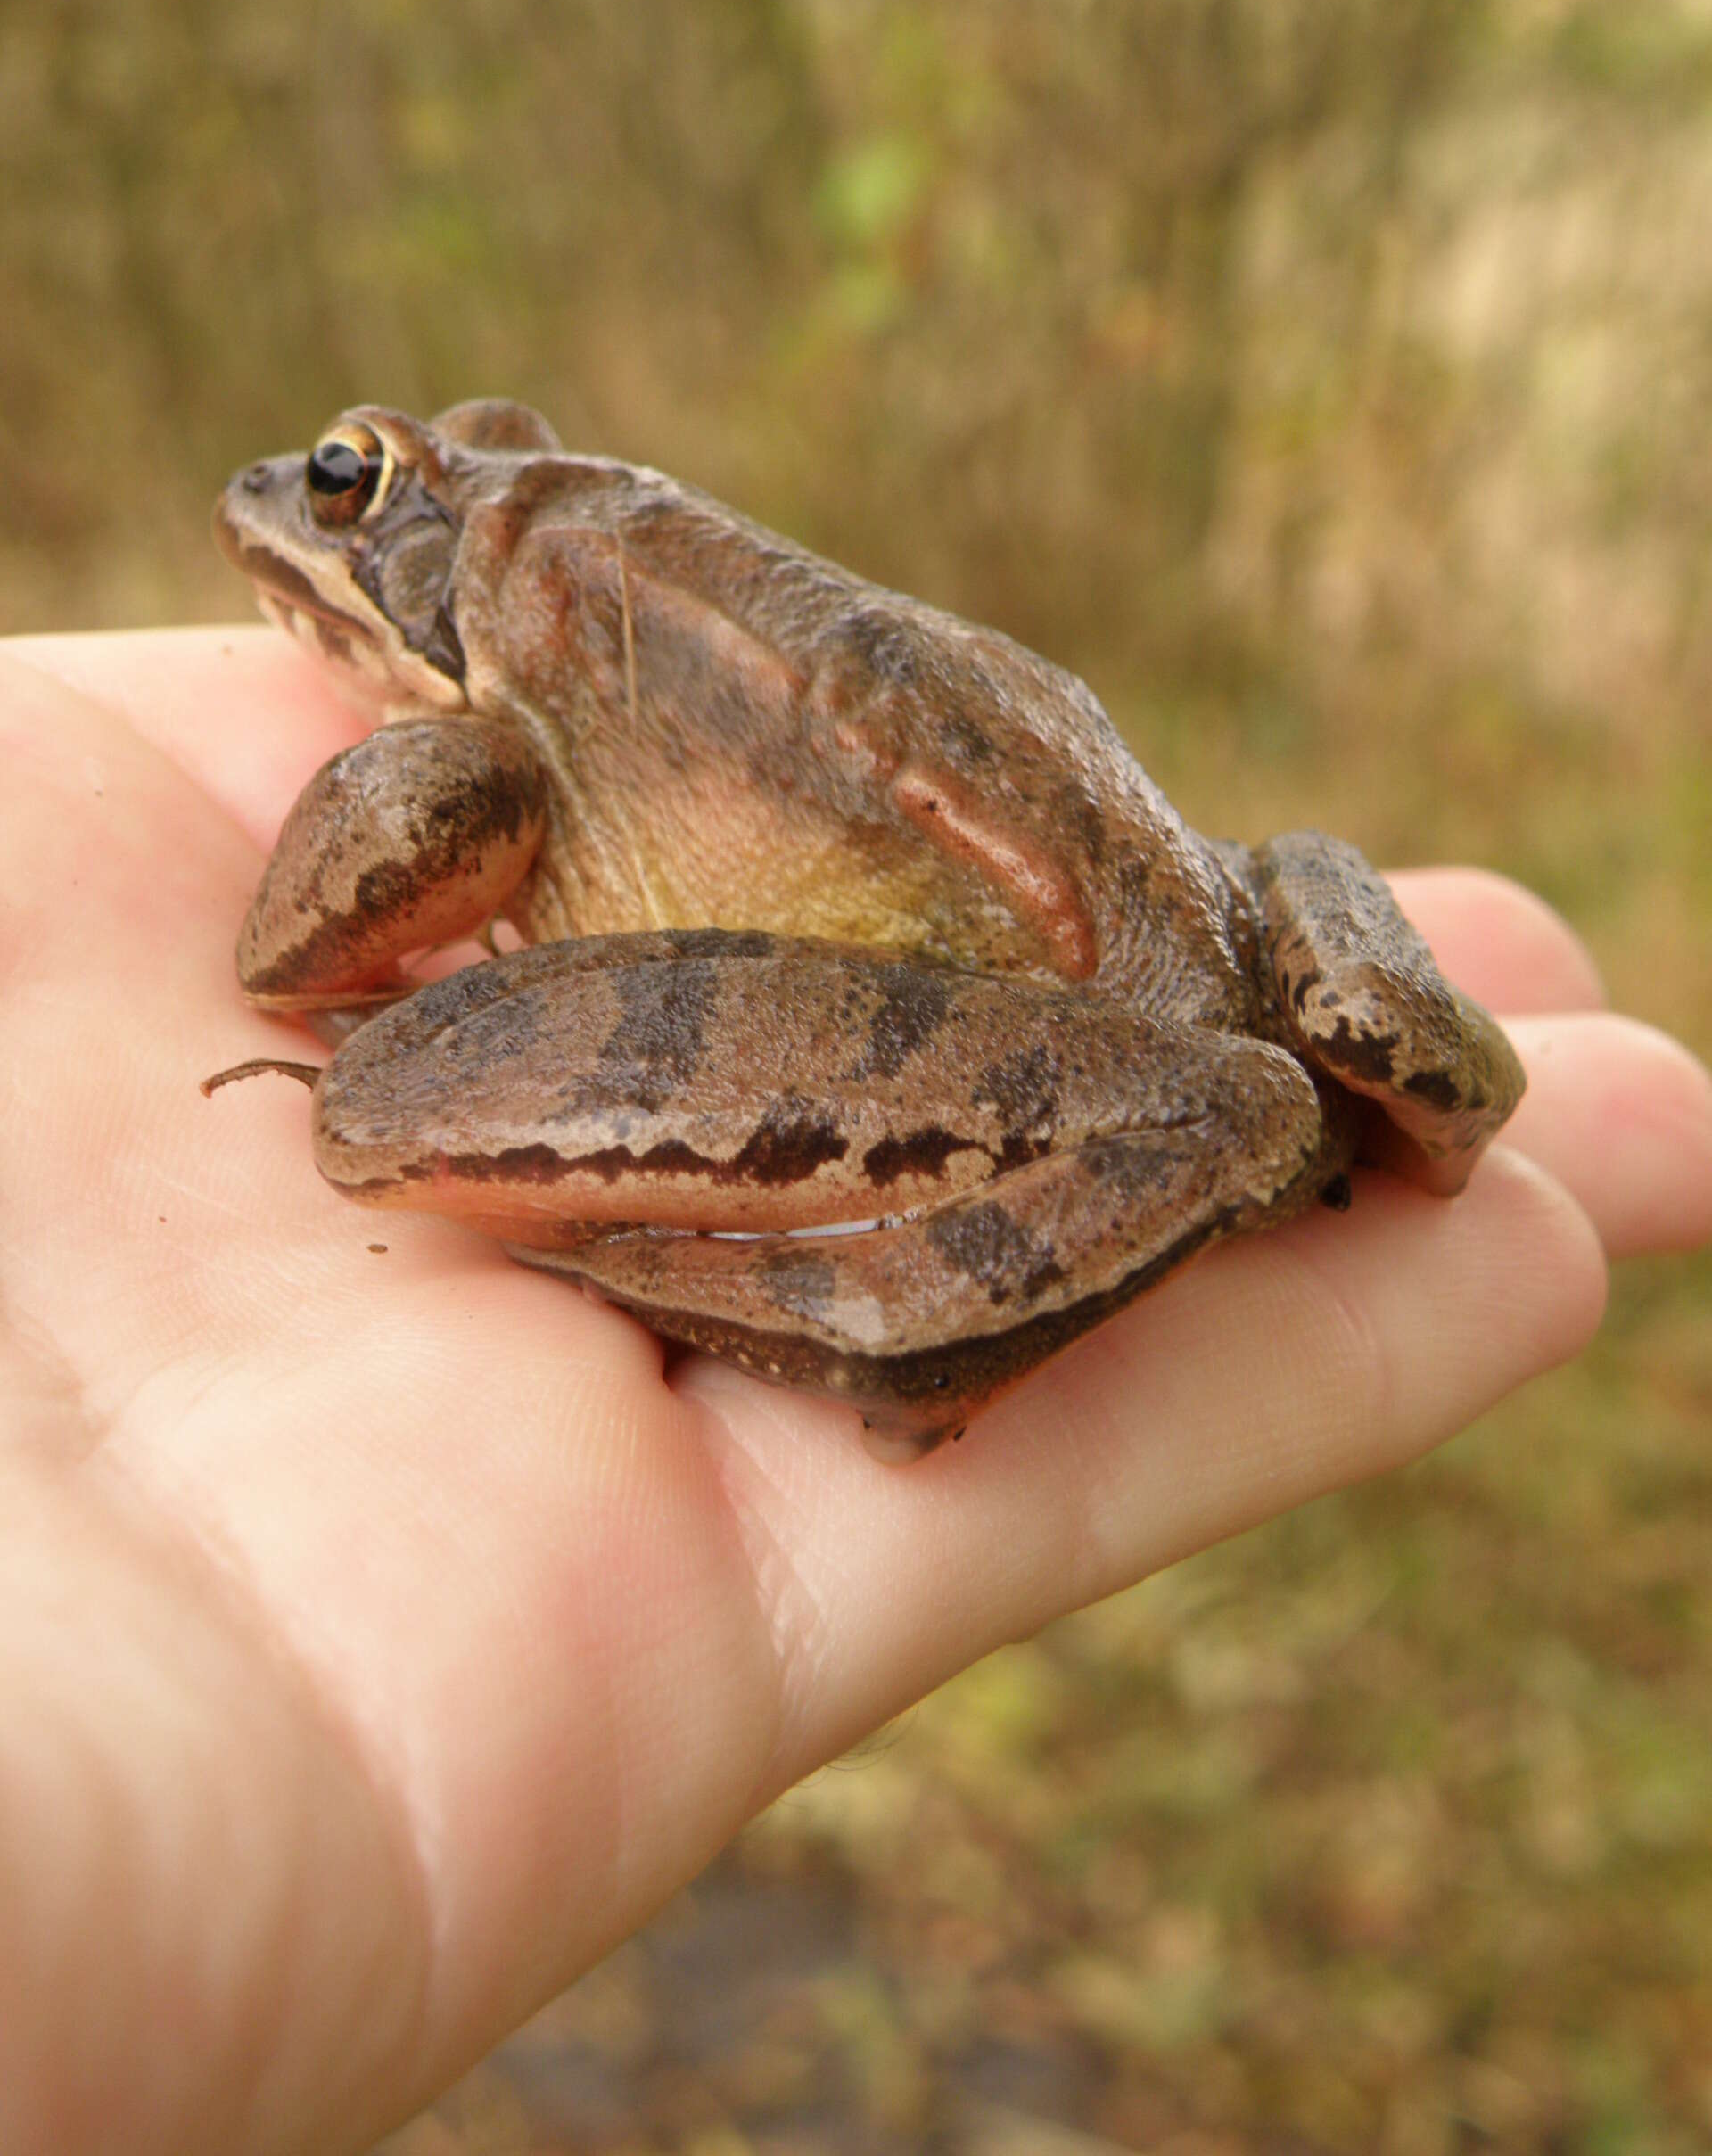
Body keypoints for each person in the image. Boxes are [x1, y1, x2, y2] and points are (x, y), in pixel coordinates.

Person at [4, 631, 1708, 2156]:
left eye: (352, 481)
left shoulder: (505, 675)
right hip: (1212, 940)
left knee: (385, 1094)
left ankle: (870, 1302)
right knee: (1263, 1022)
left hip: (1099, 1027)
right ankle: (1269, 1106)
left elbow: (393, 864)